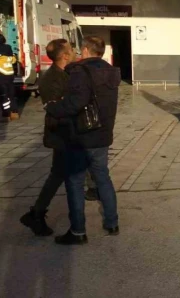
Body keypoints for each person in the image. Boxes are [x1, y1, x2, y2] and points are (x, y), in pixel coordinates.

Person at [46, 36, 121, 245]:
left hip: (82, 135)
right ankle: (112, 223)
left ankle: (78, 231)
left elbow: (75, 104)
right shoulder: (112, 71)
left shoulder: (80, 71)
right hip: (103, 135)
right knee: (103, 178)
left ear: (86, 50)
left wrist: (52, 108)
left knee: (75, 182)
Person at [20, 39, 75, 236]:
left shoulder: (65, 72)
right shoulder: (52, 78)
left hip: (69, 132)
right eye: (71, 50)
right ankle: (36, 214)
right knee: (59, 174)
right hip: (61, 133)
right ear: (65, 55)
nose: (74, 52)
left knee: (62, 173)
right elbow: (56, 107)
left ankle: (37, 213)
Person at [0, 33, 19, 121]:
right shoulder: (8, 47)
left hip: (1, 74)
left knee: (4, 95)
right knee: (11, 94)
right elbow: (12, 59)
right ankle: (14, 113)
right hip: (9, 74)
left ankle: (6, 114)